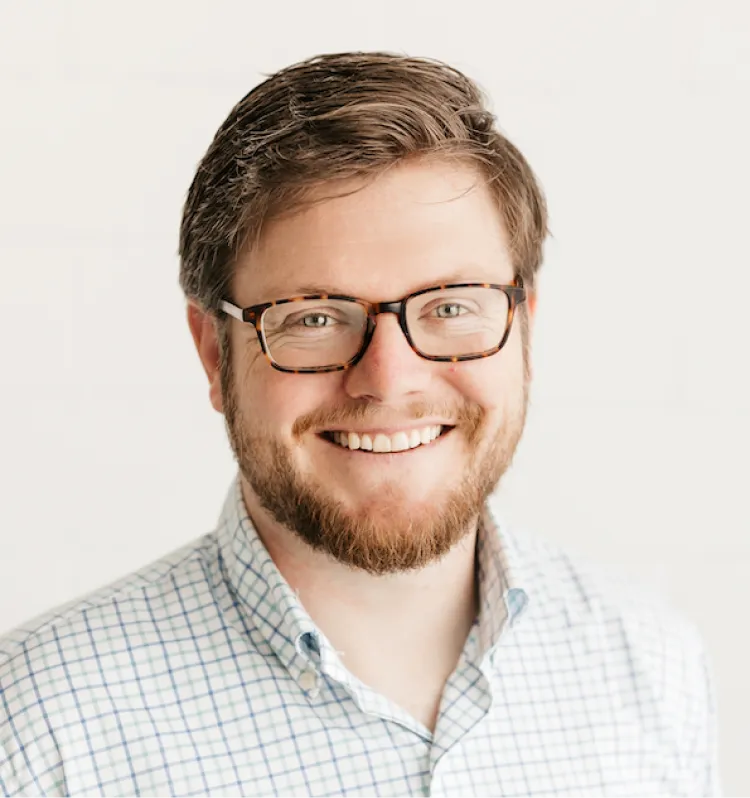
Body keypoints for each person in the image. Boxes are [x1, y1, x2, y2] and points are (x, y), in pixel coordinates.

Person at [0, 52, 721, 797]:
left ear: (524, 329)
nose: (388, 379)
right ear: (215, 354)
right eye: (314, 317)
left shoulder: (651, 662)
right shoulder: (42, 724)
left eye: (449, 308)